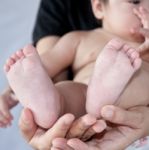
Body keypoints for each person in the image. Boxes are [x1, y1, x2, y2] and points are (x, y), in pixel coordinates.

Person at [3, 0, 149, 130]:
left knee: (139, 79)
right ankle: (49, 107)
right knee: (66, 91)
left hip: (130, 111)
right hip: (83, 101)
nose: (147, 9)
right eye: (135, 2)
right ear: (99, 7)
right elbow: (47, 63)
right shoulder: (79, 39)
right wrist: (12, 93)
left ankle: (106, 94)